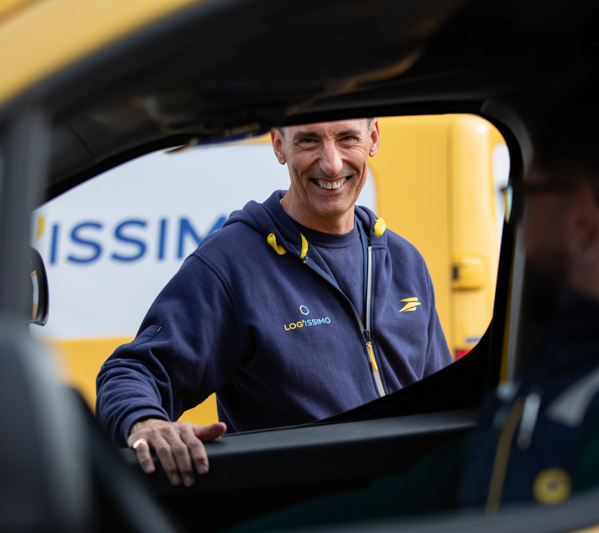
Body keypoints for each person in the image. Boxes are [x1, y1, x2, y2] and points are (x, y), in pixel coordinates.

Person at [225, 63, 599, 531]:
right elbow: (424, 493)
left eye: (522, 197)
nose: (520, 222)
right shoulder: (579, 360)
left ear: (581, 218)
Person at [96, 118, 452, 488]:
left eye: (348, 138)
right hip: (306, 507)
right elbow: (131, 372)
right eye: (309, 141)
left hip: (414, 502)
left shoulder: (404, 260)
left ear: (373, 138)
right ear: (279, 146)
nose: (332, 164)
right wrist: (145, 422)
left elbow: (446, 401)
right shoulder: (230, 264)